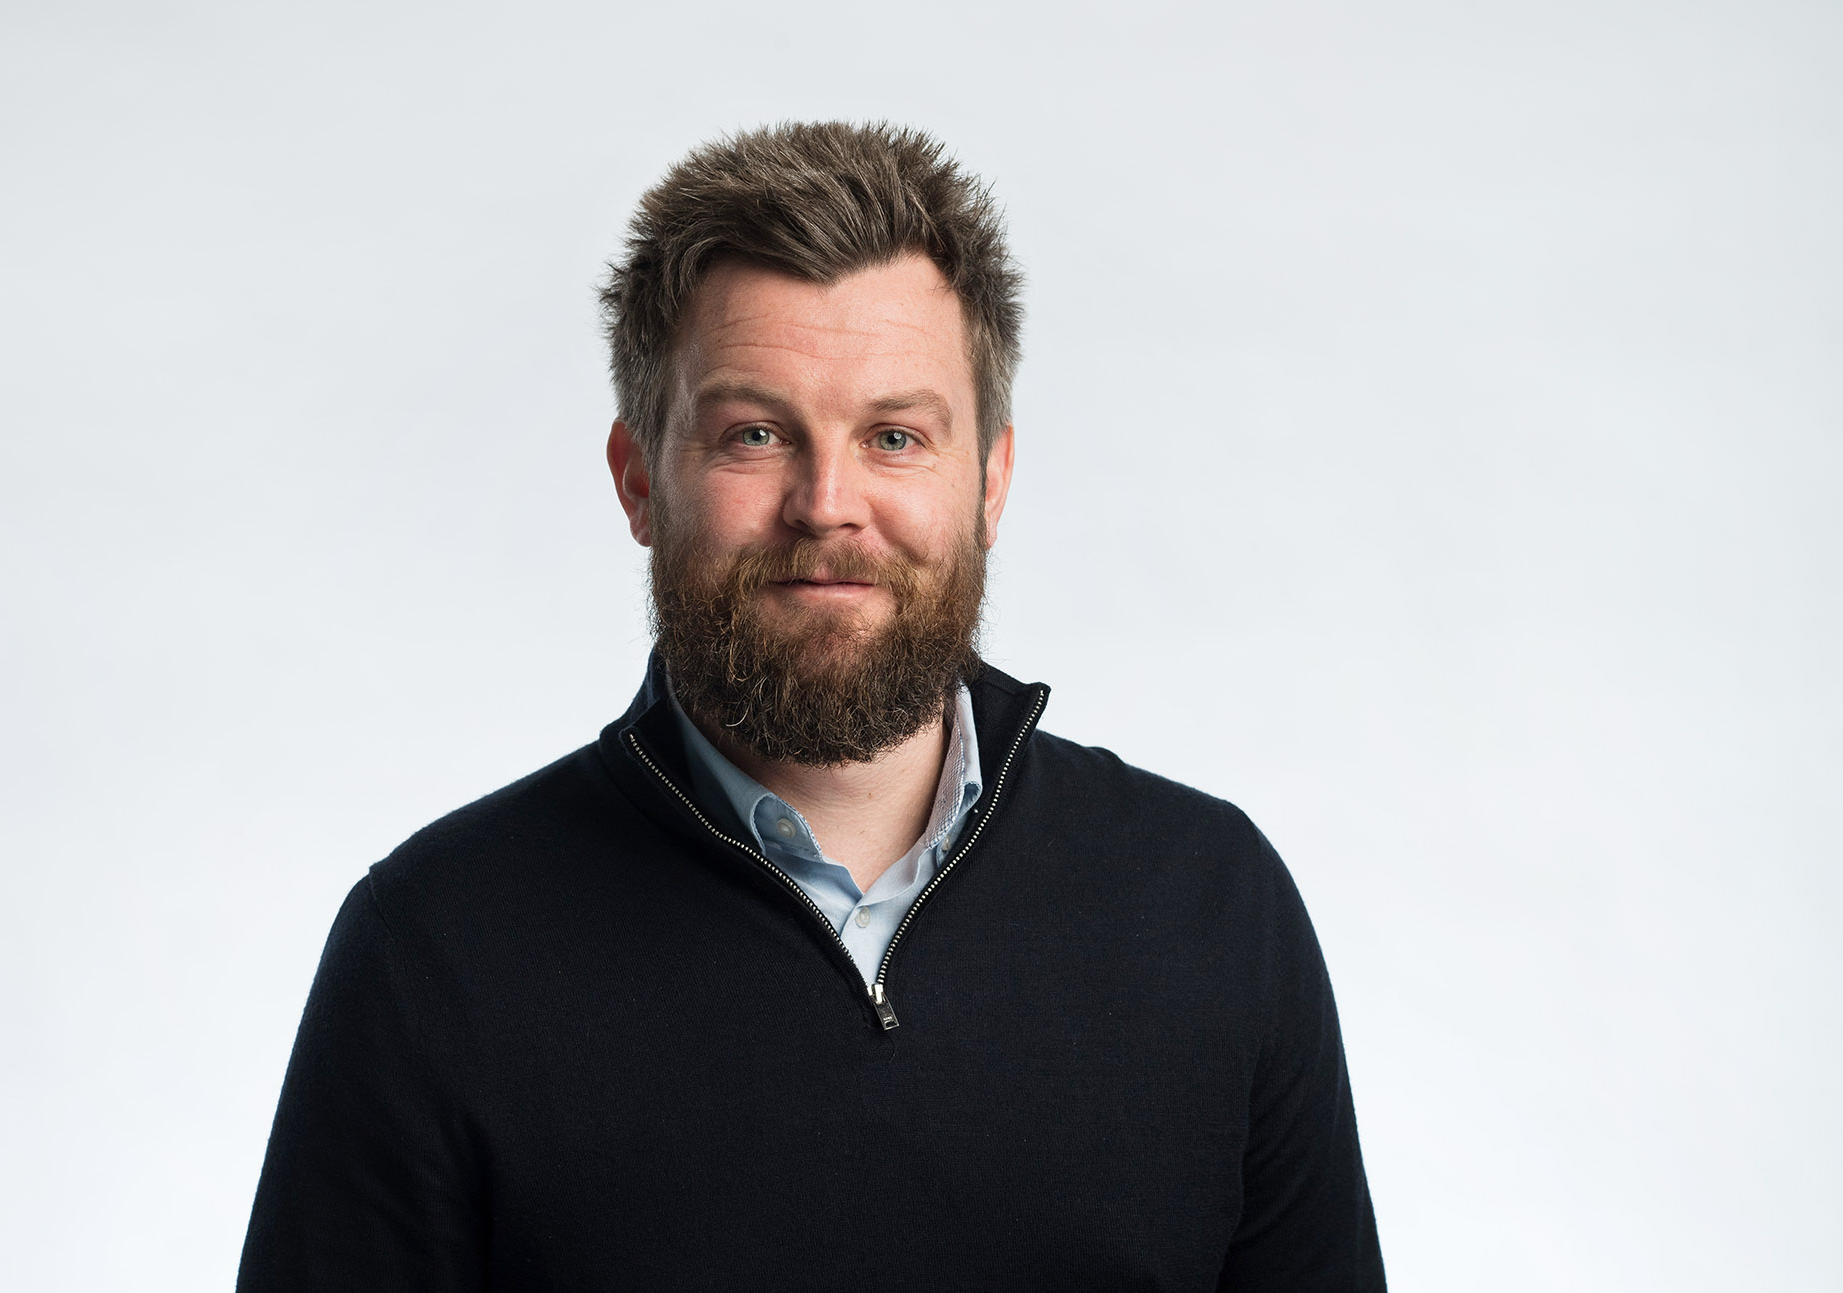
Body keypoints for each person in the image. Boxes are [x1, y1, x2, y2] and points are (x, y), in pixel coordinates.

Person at [238, 121, 1386, 1291]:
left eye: (894, 436)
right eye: (754, 434)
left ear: (987, 480)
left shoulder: (1208, 904)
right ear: (639, 479)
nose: (825, 504)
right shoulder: (436, 950)